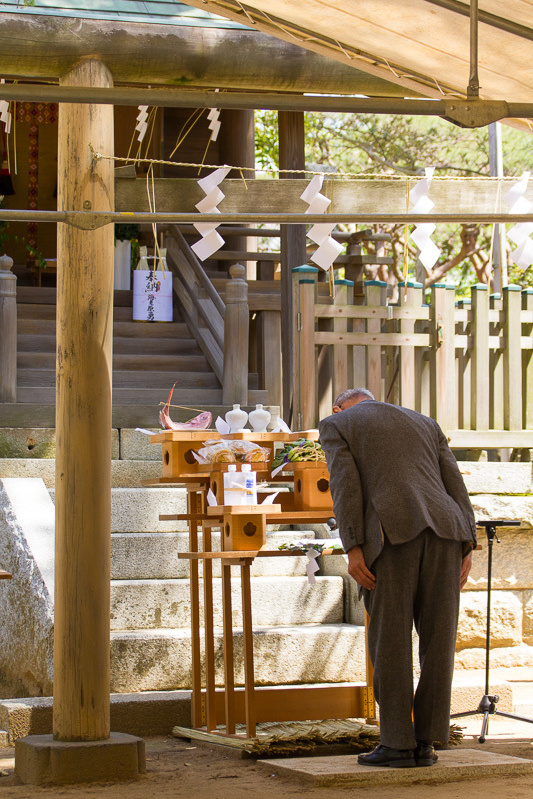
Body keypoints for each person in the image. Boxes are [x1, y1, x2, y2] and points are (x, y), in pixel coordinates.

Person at [319, 388, 477, 768]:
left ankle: (396, 744)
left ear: (339, 407)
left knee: (390, 641)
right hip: (446, 532)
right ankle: (426, 741)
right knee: (439, 642)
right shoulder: (425, 422)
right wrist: (467, 542)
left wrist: (353, 547)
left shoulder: (337, 424)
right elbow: (454, 482)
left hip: (392, 536)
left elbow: (345, 486)